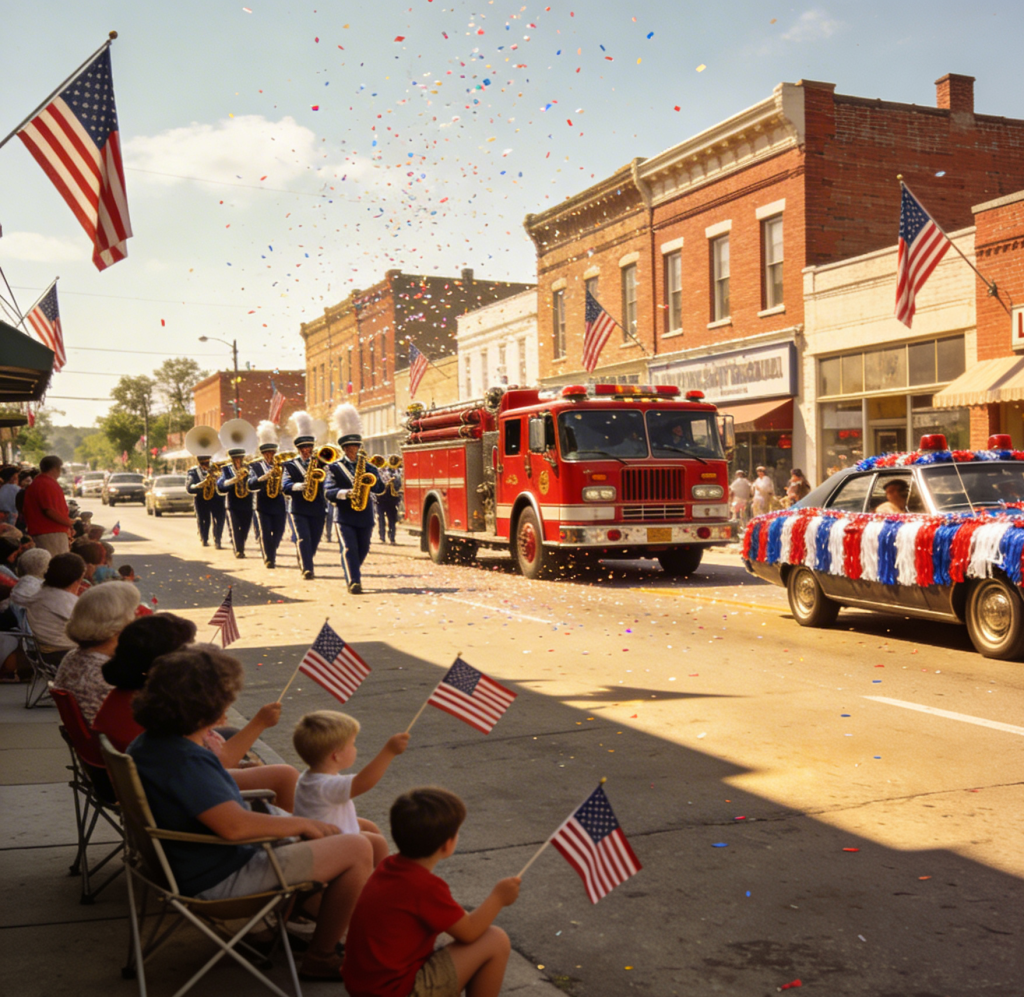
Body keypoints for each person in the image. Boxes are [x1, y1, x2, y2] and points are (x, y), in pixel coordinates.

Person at [127, 645, 373, 981]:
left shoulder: (151, 744)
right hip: (222, 875)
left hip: (192, 862)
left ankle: (299, 924)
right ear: (204, 708)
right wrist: (301, 824)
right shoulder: (186, 761)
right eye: (225, 700)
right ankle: (321, 955)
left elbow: (217, 805)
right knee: (357, 847)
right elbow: (234, 827)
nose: (227, 707)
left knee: (356, 833)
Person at [94, 613, 300, 811]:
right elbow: (212, 768)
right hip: (179, 792)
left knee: (233, 735)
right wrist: (259, 723)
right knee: (286, 776)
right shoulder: (166, 717)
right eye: (186, 650)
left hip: (164, 783)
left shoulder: (135, 700)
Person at [342, 787, 520, 997]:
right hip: (395, 991)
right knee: (496, 940)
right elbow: (470, 932)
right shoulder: (425, 887)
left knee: (450, 937)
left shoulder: (388, 866)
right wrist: (499, 897)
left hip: (364, 986)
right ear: (447, 845)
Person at [292, 710, 409, 867]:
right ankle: (382, 876)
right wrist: (389, 752)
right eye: (352, 744)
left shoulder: (310, 777)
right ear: (336, 756)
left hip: (317, 842)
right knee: (377, 842)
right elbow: (363, 782)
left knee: (369, 827)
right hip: (330, 851)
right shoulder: (326, 786)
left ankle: (382, 870)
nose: (355, 749)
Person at [53, 582, 141, 724]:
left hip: (99, 735)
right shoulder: (104, 674)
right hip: (121, 735)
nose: (138, 618)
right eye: (135, 612)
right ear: (119, 623)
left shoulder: (74, 657)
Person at [324, 404, 385, 595]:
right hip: (344, 516)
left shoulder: (369, 467)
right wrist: (347, 493)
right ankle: (354, 581)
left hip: (365, 514)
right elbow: (329, 491)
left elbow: (380, 488)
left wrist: (373, 481)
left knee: (363, 548)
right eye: (350, 447)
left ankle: (351, 570)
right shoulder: (334, 468)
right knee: (349, 548)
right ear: (344, 448)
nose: (353, 450)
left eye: (356, 447)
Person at [282, 411, 328, 580]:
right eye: (304, 449)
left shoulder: (321, 464)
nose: (307, 451)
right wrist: (298, 486)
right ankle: (308, 568)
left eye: (309, 448)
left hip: (317, 507)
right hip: (298, 508)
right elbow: (285, 485)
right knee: (303, 538)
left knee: (314, 539)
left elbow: (329, 482)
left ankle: (305, 559)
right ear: (299, 450)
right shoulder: (290, 465)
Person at [24, 552, 86, 665]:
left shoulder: (40, 594)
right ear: (78, 578)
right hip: (60, 656)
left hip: (40, 655)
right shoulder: (64, 601)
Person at [247, 421, 288, 570]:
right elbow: (250, 483)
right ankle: (269, 559)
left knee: (279, 532)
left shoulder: (282, 465)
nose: (270, 456)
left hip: (279, 503)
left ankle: (271, 551)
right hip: (263, 504)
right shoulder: (255, 466)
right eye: (267, 454)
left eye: (272, 453)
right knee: (265, 532)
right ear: (263, 454)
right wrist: (262, 478)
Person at [22, 455, 74, 556]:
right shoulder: (46, 484)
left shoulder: (39, 483)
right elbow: (49, 510)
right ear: (55, 468)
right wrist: (68, 523)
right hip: (50, 532)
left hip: (45, 532)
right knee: (57, 562)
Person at [217, 449, 254, 559]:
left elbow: (254, 480)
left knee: (245, 528)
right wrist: (233, 480)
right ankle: (239, 550)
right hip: (232, 504)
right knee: (235, 527)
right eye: (235, 459)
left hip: (247, 502)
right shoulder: (226, 469)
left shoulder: (249, 468)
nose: (237, 461)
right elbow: (220, 484)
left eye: (239, 459)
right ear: (232, 459)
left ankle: (240, 544)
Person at [185, 453, 226, 550]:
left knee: (219, 519)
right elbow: (190, 487)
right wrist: (201, 484)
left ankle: (218, 540)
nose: (205, 466)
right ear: (199, 463)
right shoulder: (193, 472)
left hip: (217, 498)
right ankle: (204, 538)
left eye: (207, 463)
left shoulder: (216, 469)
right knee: (203, 520)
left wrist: (218, 478)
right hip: (201, 499)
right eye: (203, 464)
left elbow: (223, 481)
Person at [375, 458, 402, 546]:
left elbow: (399, 484)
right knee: (381, 519)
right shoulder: (379, 472)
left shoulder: (396, 472)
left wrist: (394, 479)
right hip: (381, 498)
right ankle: (382, 537)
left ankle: (392, 538)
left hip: (392, 499)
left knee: (392, 519)